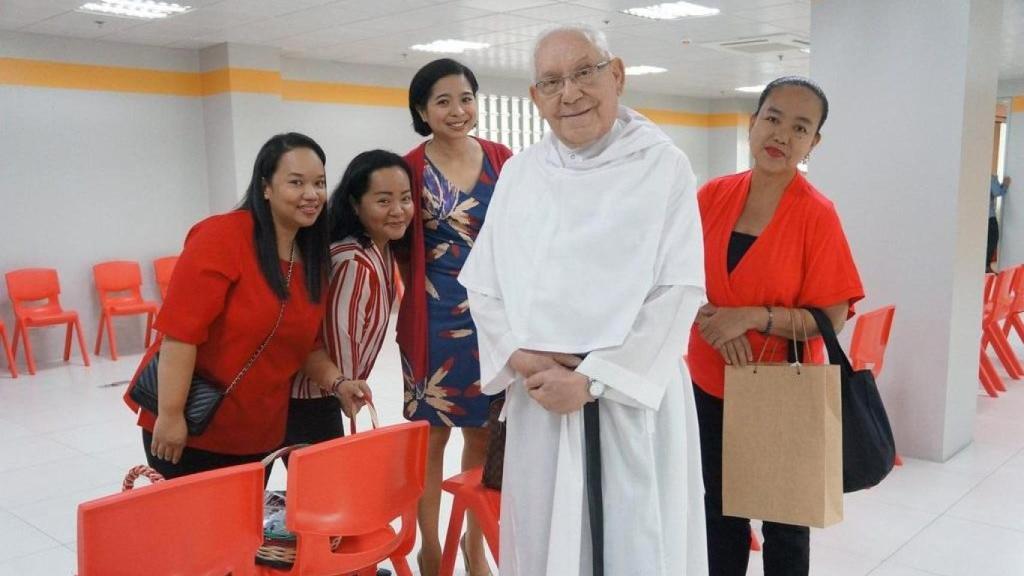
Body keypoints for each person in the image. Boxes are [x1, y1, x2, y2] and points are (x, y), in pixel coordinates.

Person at [459, 26, 707, 576]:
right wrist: (519, 357)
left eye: (584, 73)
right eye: (551, 81)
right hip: (541, 396)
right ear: (535, 98)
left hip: (629, 400)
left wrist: (594, 381)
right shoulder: (522, 174)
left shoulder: (662, 167)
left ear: (615, 74)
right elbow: (484, 283)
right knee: (548, 541)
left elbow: (677, 291)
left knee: (632, 540)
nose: (569, 93)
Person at [687, 77, 865, 576]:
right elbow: (675, 279)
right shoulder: (711, 196)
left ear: (814, 142)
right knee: (718, 511)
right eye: (773, 118)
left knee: (784, 524)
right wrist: (715, 323)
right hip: (709, 381)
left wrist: (753, 317)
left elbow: (830, 319)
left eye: (800, 127)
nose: (782, 134)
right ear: (753, 120)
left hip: (782, 389)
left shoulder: (817, 215)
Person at [127, 132, 368, 479]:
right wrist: (170, 415)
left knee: (242, 531)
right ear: (265, 187)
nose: (311, 194)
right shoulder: (222, 237)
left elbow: (305, 347)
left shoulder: (313, 258)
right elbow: (180, 334)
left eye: (319, 183)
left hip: (257, 433)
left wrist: (339, 383)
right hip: (193, 425)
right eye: (296, 182)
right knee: (195, 530)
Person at [396, 58, 512, 576]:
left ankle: (471, 543)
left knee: (484, 436)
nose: (457, 110)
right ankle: (426, 545)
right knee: (431, 436)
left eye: (465, 98)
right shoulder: (407, 169)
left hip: (493, 321)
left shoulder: (504, 160)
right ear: (422, 110)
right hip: (433, 320)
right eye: (442, 101)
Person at [287, 150, 414, 446]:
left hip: (328, 392)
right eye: (383, 200)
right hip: (311, 398)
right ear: (355, 205)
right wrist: (347, 387)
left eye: (405, 198)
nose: (398, 210)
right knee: (323, 489)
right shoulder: (353, 261)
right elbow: (339, 339)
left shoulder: (381, 250)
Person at [988, 173, 1011, 272]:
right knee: (993, 240)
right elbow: (997, 192)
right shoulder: (990, 177)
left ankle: (985, 266)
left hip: (981, 217)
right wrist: (1005, 184)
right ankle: (986, 266)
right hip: (990, 217)